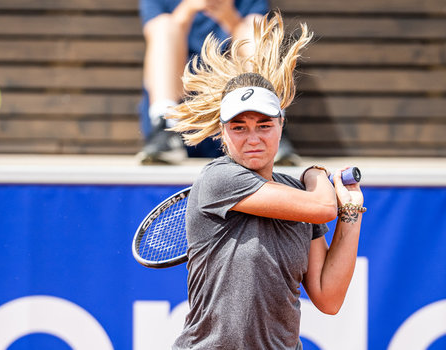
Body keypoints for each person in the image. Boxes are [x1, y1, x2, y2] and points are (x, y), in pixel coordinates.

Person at [168, 13, 365, 349]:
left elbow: (328, 298)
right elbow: (321, 207)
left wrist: (351, 215)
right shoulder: (219, 178)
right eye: (239, 127)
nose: (253, 138)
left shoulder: (302, 197)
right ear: (223, 133)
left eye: (264, 125)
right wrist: (314, 174)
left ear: (281, 125)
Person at [136, 0, 299, 165]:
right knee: (164, 26)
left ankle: (270, 121)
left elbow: (255, 34)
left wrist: (229, 18)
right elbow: (154, 34)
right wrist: (188, 9)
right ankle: (164, 123)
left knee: (253, 27)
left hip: (238, 120)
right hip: (178, 120)